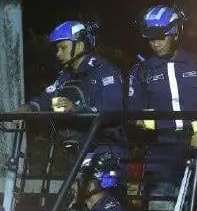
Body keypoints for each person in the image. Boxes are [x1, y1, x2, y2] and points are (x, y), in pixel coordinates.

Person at [127, 5, 197, 205]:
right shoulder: (140, 71)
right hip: (161, 154)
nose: (155, 43)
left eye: (161, 36)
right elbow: (133, 114)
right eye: (150, 38)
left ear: (176, 33)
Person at [17, 20, 127, 160]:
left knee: (93, 182)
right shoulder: (66, 74)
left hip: (106, 147)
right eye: (57, 49)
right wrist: (29, 107)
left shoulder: (104, 71)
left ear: (80, 46)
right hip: (78, 148)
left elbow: (112, 110)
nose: (58, 54)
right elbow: (48, 96)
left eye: (63, 48)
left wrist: (76, 109)